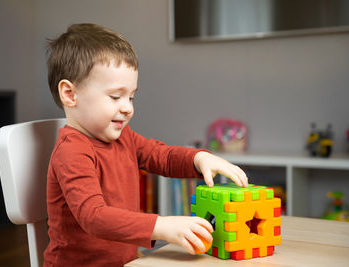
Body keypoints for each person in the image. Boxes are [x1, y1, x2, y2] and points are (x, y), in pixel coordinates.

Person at [44, 23, 248, 266]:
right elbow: (94, 217)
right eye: (115, 97)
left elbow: (162, 156)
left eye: (131, 96)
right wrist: (160, 226)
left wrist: (200, 158)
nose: (127, 107)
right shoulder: (72, 150)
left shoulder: (124, 137)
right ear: (70, 94)